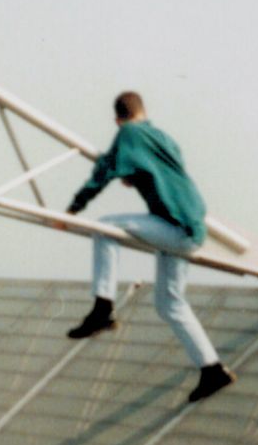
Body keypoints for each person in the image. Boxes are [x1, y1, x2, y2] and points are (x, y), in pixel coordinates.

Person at [59, 90, 236, 405]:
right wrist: (135, 174)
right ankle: (212, 369)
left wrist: (72, 210)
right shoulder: (162, 138)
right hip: (189, 225)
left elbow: (103, 174)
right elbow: (162, 172)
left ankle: (103, 307)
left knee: (105, 227)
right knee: (169, 304)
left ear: (118, 120)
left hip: (175, 226)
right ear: (143, 111)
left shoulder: (129, 133)